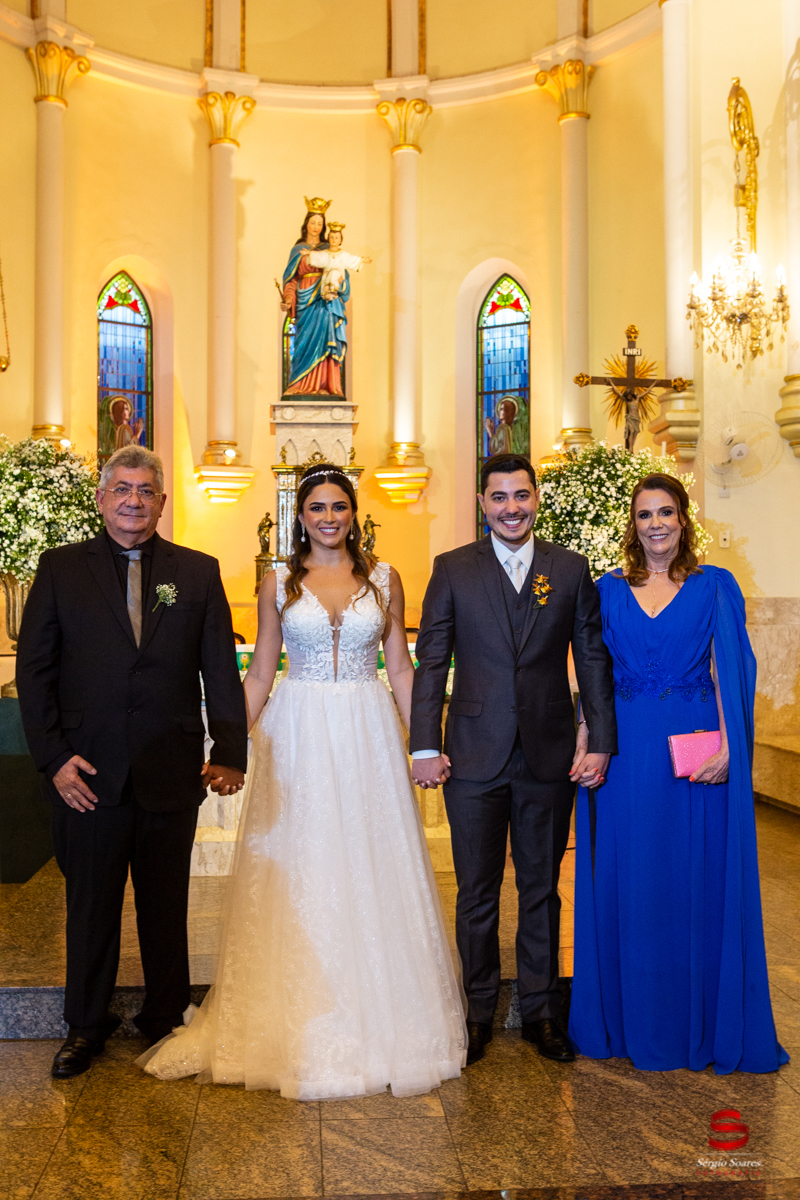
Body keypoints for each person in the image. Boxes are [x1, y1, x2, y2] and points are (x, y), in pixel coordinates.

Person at [139, 463, 466, 1098]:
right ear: (301, 516)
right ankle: (296, 1017)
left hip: (368, 729)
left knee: (370, 860)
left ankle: (382, 1016)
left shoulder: (386, 579)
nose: (328, 517)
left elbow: (400, 667)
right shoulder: (279, 582)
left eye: (339, 506)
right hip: (299, 733)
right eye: (317, 507)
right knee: (302, 861)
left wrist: (426, 742)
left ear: (353, 514)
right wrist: (224, 742)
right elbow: (261, 672)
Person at [15, 445, 248, 1079]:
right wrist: (54, 758)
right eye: (121, 489)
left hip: (170, 767)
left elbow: (219, 669)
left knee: (165, 906)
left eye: (145, 491)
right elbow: (34, 673)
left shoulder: (196, 571)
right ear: (101, 498)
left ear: (162, 502)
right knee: (90, 905)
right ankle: (85, 1026)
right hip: (86, 774)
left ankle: (165, 1016)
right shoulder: (61, 568)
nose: (133, 501)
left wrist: (229, 750)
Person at [569, 473, 788, 1074]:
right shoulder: (608, 590)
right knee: (631, 876)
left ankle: (697, 1021)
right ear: (633, 525)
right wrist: (586, 736)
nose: (656, 524)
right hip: (625, 754)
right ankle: (627, 1019)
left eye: (666, 512)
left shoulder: (714, 586)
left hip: (693, 755)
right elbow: (593, 673)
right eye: (645, 515)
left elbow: (731, 670)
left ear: (683, 520)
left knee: (693, 878)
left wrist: (732, 747)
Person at [410, 452, 617, 1067]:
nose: (511, 508)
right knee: (476, 891)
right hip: (473, 754)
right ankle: (476, 1014)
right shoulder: (453, 568)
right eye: (498, 497)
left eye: (521, 495)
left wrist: (600, 739)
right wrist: (425, 743)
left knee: (541, 890)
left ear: (535, 498)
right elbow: (432, 660)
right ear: (482, 503)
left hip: (549, 755)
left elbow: (592, 656)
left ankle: (541, 1013)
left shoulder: (569, 569)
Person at [280, 200, 345, 396]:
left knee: (325, 340)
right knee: (303, 342)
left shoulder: (329, 249)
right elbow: (291, 279)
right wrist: (288, 298)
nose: (316, 227)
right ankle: (299, 384)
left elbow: (341, 272)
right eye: (313, 222)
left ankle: (326, 385)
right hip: (304, 301)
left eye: (320, 223)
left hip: (324, 300)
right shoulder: (297, 250)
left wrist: (338, 284)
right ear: (306, 223)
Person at [301, 222, 371, 301]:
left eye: (336, 238)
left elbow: (352, 259)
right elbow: (318, 256)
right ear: (328, 239)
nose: (334, 240)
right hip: (326, 278)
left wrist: (362, 260)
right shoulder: (325, 253)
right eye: (332, 237)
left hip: (338, 278)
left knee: (334, 273)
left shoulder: (343, 255)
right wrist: (308, 253)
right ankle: (327, 292)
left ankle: (333, 290)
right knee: (330, 275)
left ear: (340, 240)